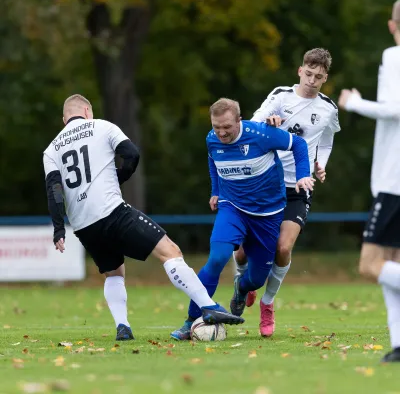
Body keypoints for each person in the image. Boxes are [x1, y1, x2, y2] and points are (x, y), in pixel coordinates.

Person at [43, 94, 245, 341]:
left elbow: (54, 191)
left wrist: (58, 229)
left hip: (84, 225)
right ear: (87, 112)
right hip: (112, 212)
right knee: (170, 251)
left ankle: (123, 327)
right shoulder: (102, 126)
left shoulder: (51, 149)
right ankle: (209, 306)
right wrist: (119, 177)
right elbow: (132, 154)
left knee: (114, 273)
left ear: (65, 120)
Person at [170, 98, 315, 340]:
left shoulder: (261, 134)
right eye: (216, 127)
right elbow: (212, 160)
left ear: (240, 120)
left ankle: (242, 287)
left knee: (256, 279)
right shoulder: (211, 139)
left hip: (267, 215)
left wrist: (302, 176)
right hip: (232, 208)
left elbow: (298, 144)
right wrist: (216, 190)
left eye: (227, 126)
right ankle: (190, 321)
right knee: (216, 259)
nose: (221, 132)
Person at [233, 48, 341, 337]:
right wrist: (269, 126)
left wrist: (321, 165)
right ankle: (242, 284)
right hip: (264, 182)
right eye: (309, 74)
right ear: (300, 70)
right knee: (242, 251)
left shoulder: (328, 108)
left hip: (298, 187)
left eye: (319, 77)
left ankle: (267, 304)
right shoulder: (280, 96)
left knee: (282, 249)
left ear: (325, 77)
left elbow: (327, 142)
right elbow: (252, 125)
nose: (313, 80)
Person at [338, 0, 400, 363]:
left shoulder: (394, 54)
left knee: (370, 265)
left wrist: (355, 103)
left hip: (394, 180)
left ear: (392, 26)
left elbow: (395, 108)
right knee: (393, 262)